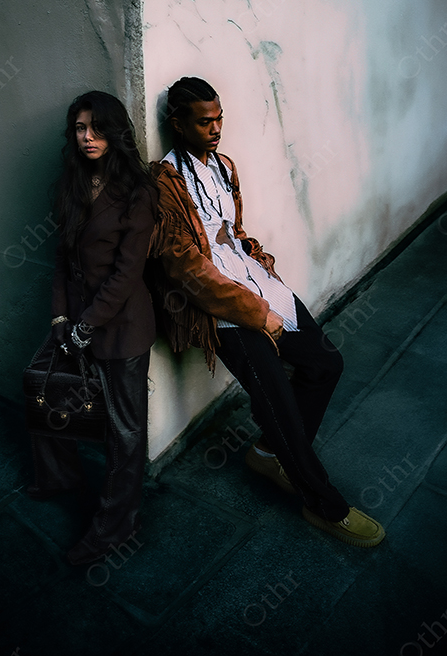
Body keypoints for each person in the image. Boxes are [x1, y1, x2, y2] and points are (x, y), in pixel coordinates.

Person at [149, 76, 385, 547]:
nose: (215, 129)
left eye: (219, 119)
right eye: (203, 122)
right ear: (177, 124)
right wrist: (256, 313)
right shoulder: (163, 182)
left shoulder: (223, 166)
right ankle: (323, 504)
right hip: (218, 307)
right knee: (278, 401)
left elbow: (231, 234)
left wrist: (259, 267)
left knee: (325, 363)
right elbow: (185, 268)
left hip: (256, 283)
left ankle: (266, 451)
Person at [27, 91, 157, 565]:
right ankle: (60, 477)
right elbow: (61, 258)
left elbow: (128, 273)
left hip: (121, 325)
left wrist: (87, 325)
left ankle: (115, 527)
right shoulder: (72, 183)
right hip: (75, 318)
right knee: (43, 386)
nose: (88, 138)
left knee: (125, 433)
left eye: (97, 128)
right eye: (80, 129)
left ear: (114, 132)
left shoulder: (138, 193)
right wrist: (62, 318)